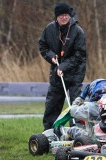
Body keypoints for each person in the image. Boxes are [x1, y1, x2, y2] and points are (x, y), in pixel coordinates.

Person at [38, 2, 86, 131]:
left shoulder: (78, 31)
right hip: (57, 75)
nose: (63, 18)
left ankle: (78, 133)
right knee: (52, 105)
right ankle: (49, 134)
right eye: (60, 16)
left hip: (75, 74)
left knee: (76, 106)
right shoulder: (49, 29)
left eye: (66, 15)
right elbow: (42, 46)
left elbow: (80, 55)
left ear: (69, 16)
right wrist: (50, 56)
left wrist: (63, 66)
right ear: (56, 17)